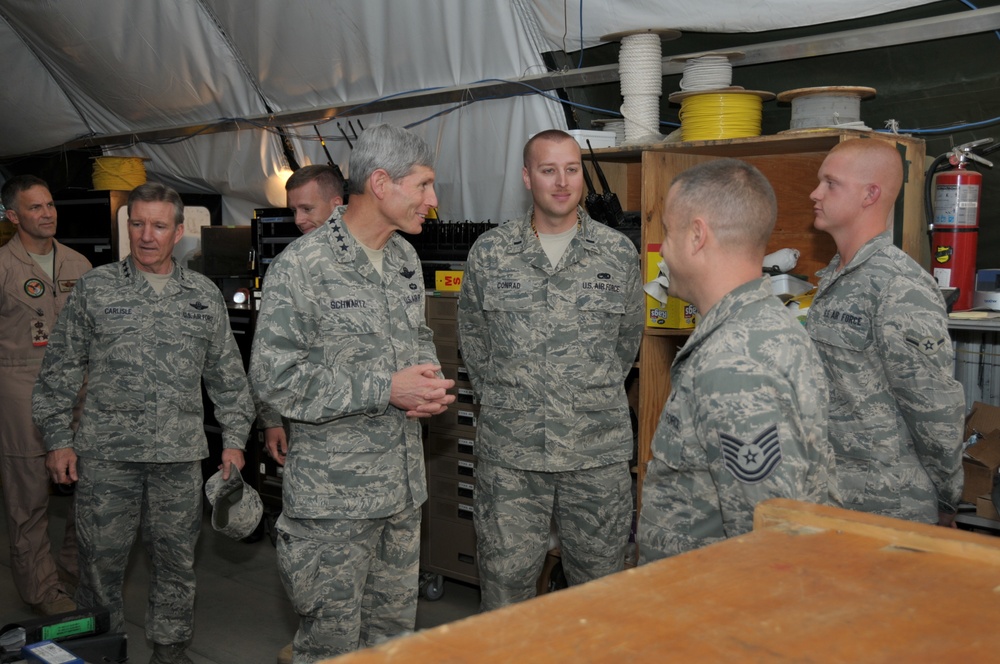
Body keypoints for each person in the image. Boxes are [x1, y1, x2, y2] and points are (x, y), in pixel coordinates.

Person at [250, 123, 454, 663]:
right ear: (382, 184)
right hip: (333, 508)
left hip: (402, 496)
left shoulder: (405, 260)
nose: (434, 201)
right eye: (425, 185)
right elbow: (274, 379)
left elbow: (417, 338)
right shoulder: (303, 266)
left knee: (391, 648)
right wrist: (385, 388)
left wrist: (426, 381)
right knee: (330, 650)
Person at [33, 182, 254, 664]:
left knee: (176, 564)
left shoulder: (201, 296)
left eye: (158, 225)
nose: (146, 235)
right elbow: (61, 369)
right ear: (127, 225)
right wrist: (57, 440)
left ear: (179, 231)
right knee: (98, 567)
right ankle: (100, 652)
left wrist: (234, 442)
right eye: (137, 223)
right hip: (106, 458)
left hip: (177, 460)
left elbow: (228, 376)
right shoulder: (96, 287)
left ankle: (170, 652)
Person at [457, 129, 643, 610]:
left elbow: (627, 344)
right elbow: (475, 345)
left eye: (571, 169)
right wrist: (514, 401)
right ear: (527, 177)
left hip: (595, 455)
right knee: (504, 590)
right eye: (548, 170)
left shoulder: (617, 254)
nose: (562, 182)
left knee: (600, 593)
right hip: (512, 459)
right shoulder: (491, 254)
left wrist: (582, 393)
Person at [637, 159, 839, 563]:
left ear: (697, 235)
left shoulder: (733, 363)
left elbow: (766, 541)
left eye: (667, 234)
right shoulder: (762, 326)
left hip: (714, 605)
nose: (663, 252)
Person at [806, 139, 965, 526]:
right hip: (828, 493)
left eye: (830, 183)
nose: (815, 193)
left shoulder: (899, 286)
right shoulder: (836, 276)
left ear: (870, 194)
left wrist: (947, 497)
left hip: (884, 502)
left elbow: (934, 409)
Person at [0, 175, 90, 616]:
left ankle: (69, 574)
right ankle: (42, 590)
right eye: (35, 208)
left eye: (50, 204)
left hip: (78, 392)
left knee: (85, 492)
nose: (48, 213)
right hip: (19, 392)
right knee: (28, 500)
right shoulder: (2, 267)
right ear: (13, 216)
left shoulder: (79, 265)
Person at [258, 164, 348, 474]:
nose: (298, 220)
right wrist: (271, 421)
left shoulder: (374, 257)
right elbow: (270, 357)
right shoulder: (293, 267)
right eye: (293, 210)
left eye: (307, 208)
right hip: (312, 434)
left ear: (337, 205)